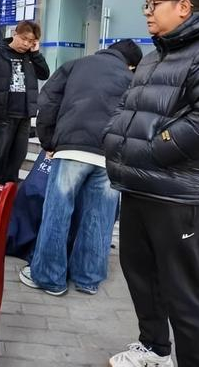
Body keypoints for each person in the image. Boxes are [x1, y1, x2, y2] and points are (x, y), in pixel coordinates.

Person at [104, 0, 199, 367]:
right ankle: (154, 349)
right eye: (145, 5)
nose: (147, 11)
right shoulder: (153, 57)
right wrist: (113, 137)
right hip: (139, 187)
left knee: (184, 293)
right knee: (140, 276)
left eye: (154, 3)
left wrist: (152, 150)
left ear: (183, 6)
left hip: (179, 195)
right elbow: (126, 108)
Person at [18, 40, 142, 297]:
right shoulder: (133, 79)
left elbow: (48, 101)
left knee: (57, 212)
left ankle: (50, 278)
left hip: (72, 147)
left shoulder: (76, 65)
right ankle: (88, 279)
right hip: (110, 156)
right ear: (131, 64)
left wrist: (49, 141)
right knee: (100, 218)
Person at [0, 20, 49, 184]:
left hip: (24, 115)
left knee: (17, 157)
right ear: (15, 34)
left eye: (31, 41)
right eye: (24, 39)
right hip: (2, 114)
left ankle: (9, 192)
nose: (26, 44)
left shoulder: (31, 57)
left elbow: (44, 74)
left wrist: (36, 54)